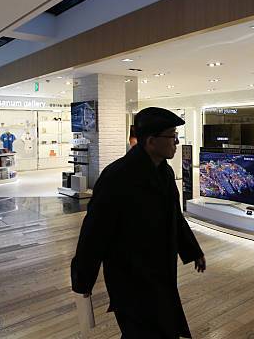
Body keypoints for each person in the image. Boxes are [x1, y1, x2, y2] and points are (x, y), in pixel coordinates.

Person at [71, 107, 206, 338]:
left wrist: (192, 250)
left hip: (161, 272)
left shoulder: (163, 172)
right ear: (151, 141)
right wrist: (83, 280)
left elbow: (174, 216)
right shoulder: (117, 177)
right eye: (172, 136)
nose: (176, 142)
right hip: (130, 277)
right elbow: (94, 232)